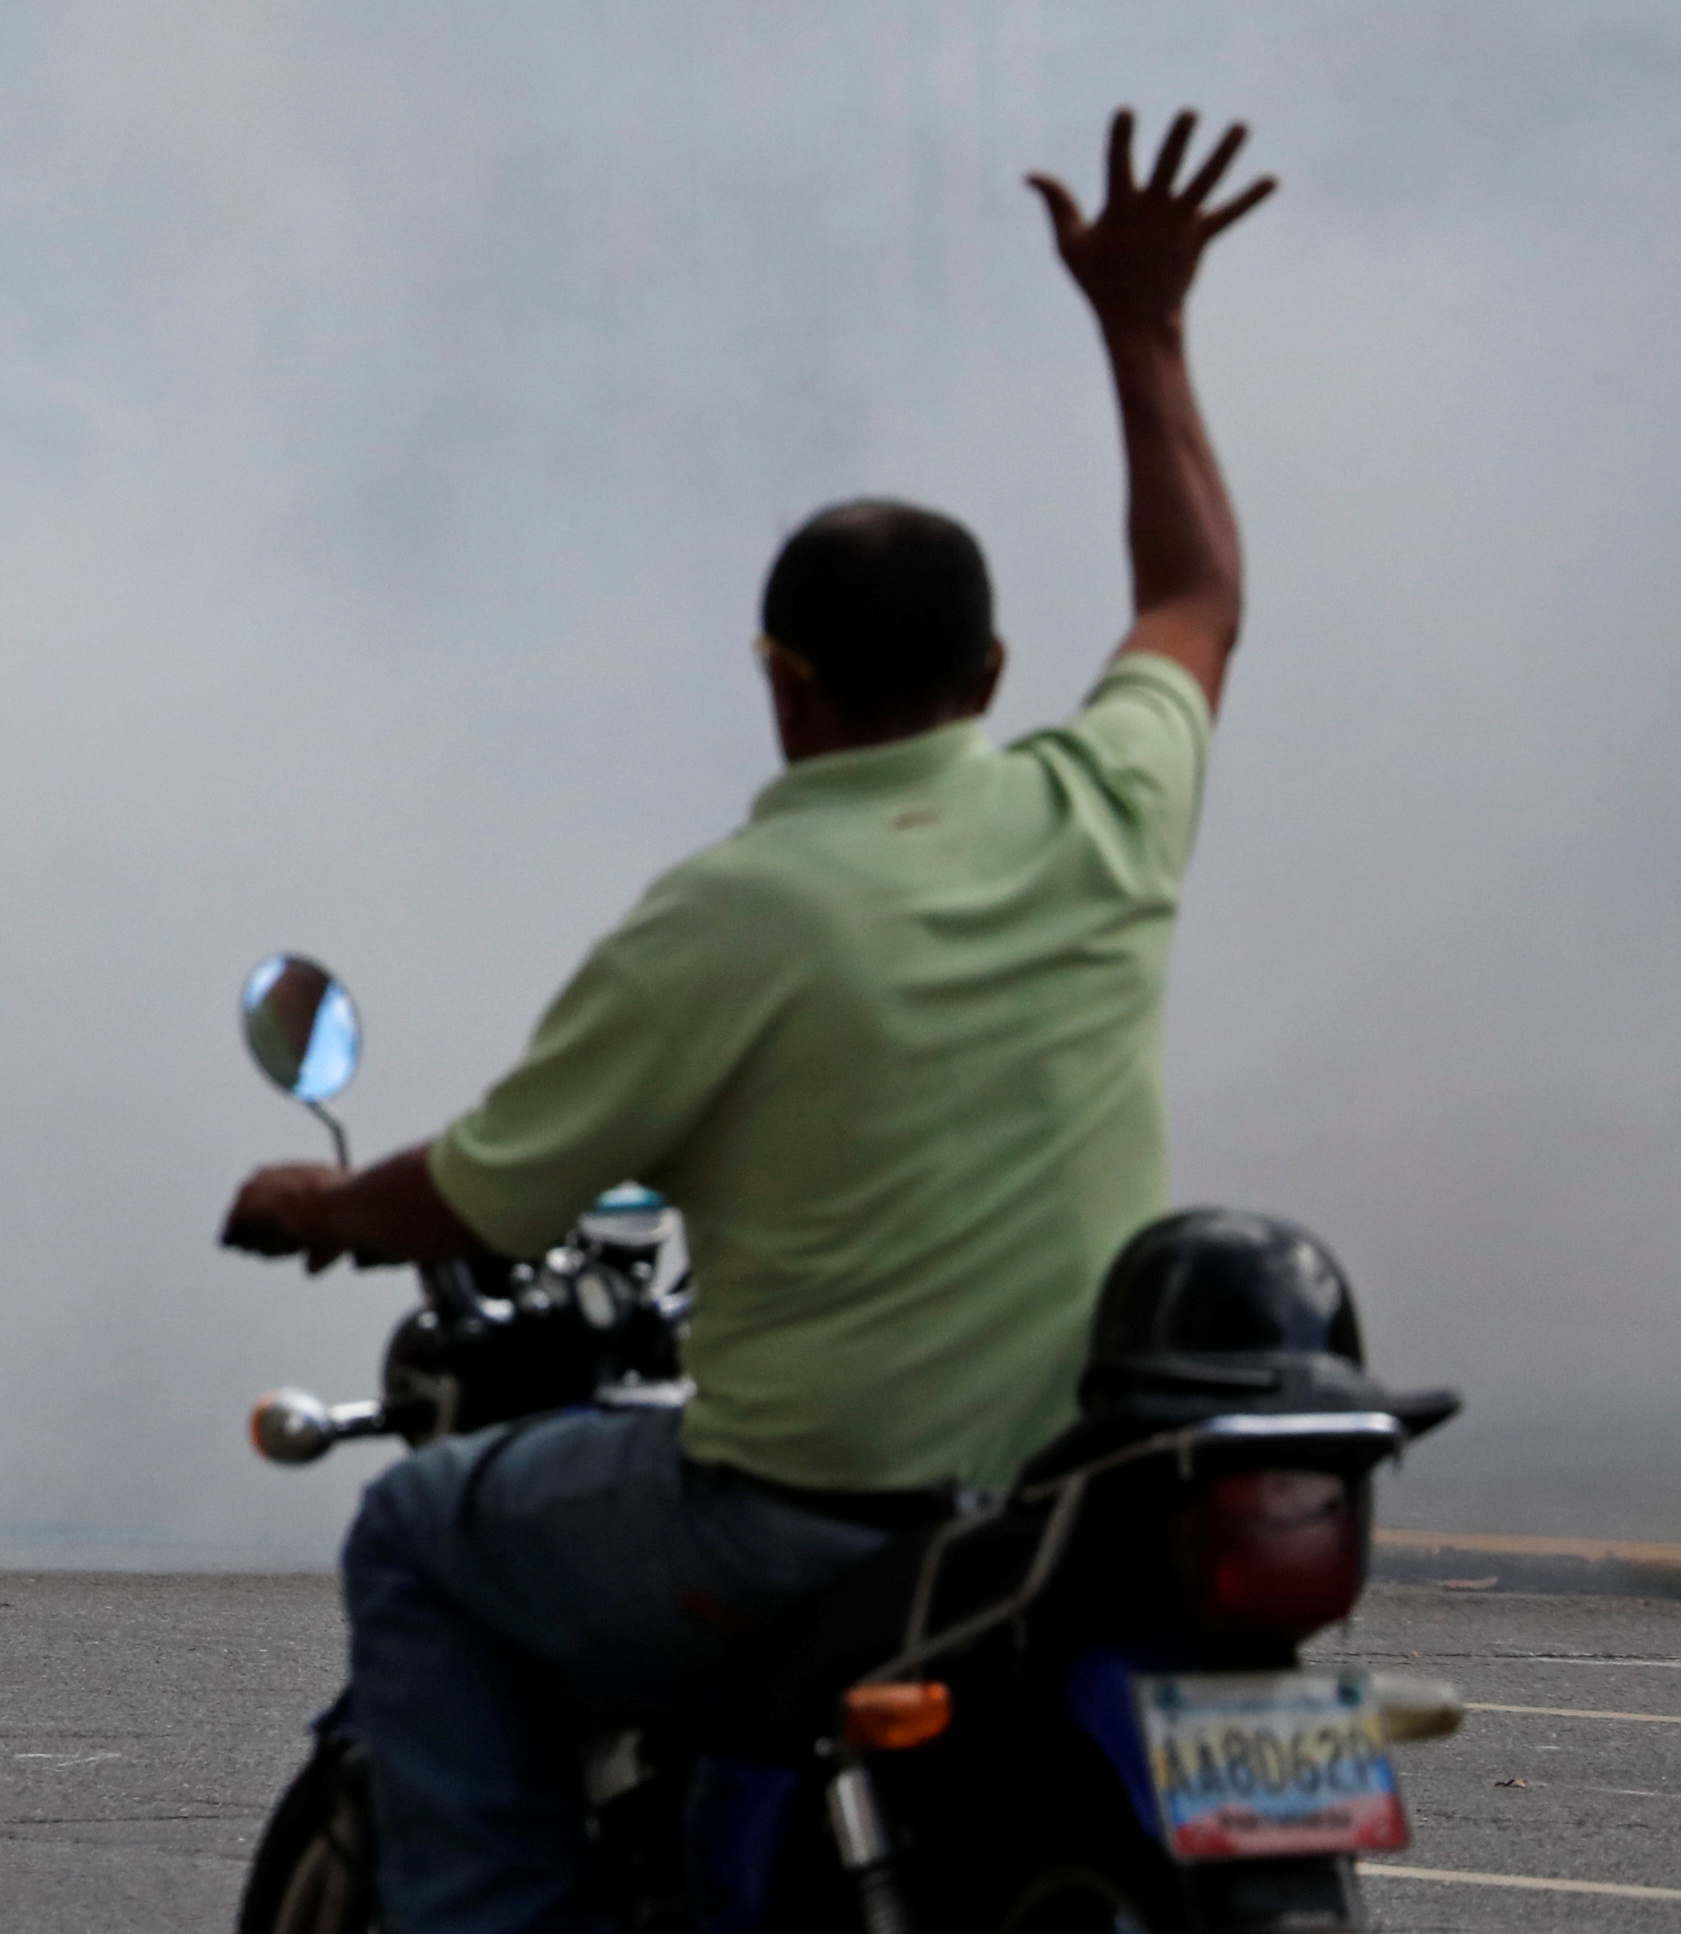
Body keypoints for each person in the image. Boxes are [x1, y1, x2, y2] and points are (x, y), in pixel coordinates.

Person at [221, 109, 1272, 1930]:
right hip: (1045, 1504)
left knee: (413, 1528)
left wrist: (316, 1205)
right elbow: (1193, 593)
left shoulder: (728, 912)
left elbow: (484, 1192)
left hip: (813, 1510)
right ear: (994, 677)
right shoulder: (1100, 805)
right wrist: (1143, 330)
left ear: (781, 683)